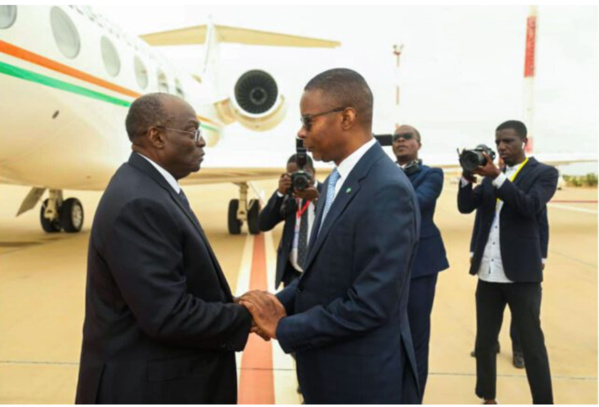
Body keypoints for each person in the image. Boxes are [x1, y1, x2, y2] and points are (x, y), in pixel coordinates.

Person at [241, 68, 421, 404]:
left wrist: (282, 327)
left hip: (359, 381)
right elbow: (324, 275)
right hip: (326, 369)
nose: (301, 131)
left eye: (308, 121)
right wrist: (279, 300)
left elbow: (370, 304)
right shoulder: (338, 182)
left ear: (347, 117)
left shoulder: (387, 190)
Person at [75, 93, 252, 404]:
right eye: (192, 131)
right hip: (148, 390)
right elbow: (168, 315)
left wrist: (229, 304)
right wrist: (246, 316)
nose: (202, 142)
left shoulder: (151, 188)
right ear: (156, 137)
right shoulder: (140, 202)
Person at [458, 120, 556, 404]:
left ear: (524, 142)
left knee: (532, 344)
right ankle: (488, 398)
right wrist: (467, 177)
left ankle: (543, 401)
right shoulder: (490, 176)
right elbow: (466, 207)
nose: (502, 146)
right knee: (485, 343)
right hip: (488, 274)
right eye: (498, 141)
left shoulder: (544, 173)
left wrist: (498, 177)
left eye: (509, 141)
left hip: (522, 276)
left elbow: (529, 206)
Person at [392, 124, 449, 399]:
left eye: (407, 137)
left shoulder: (432, 174)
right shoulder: (385, 173)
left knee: (416, 335)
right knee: (388, 333)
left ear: (418, 144)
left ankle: (414, 397)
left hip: (421, 265)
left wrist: (380, 194)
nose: (400, 141)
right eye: (396, 138)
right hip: (388, 264)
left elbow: (418, 202)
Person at [258, 154, 322, 289]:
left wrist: (317, 200)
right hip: (292, 274)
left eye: (304, 174)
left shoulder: (327, 192)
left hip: (320, 273)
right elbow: (263, 224)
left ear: (313, 172)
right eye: (293, 175)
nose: (300, 179)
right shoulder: (288, 196)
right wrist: (280, 194)